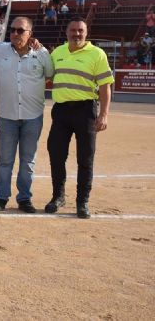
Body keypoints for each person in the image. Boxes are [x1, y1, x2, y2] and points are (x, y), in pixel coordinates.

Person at [0, 17, 54, 213]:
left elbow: (50, 74)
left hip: (33, 116)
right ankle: (1, 197)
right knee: (5, 160)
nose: (15, 33)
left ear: (30, 33)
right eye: (13, 30)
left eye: (20, 30)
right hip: (7, 116)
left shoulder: (41, 53)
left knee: (27, 161)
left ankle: (24, 199)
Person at [45, 18, 114, 219]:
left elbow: (104, 86)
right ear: (66, 33)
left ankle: (82, 201)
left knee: (85, 158)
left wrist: (104, 114)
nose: (77, 34)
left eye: (80, 31)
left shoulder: (97, 54)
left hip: (86, 112)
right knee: (56, 155)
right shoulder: (57, 52)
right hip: (61, 112)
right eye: (73, 30)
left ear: (86, 32)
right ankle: (58, 196)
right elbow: (46, 76)